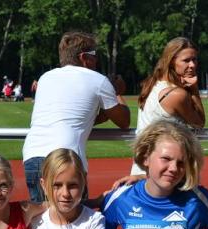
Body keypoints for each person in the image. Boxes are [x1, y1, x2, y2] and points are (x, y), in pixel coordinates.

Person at [23, 31, 130, 203]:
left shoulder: (45, 78)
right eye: (94, 55)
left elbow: (79, 118)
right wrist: (117, 92)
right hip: (66, 157)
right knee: (74, 217)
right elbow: (124, 121)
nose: (96, 60)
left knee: (43, 217)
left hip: (32, 155)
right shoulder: (98, 80)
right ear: (84, 57)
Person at [130, 37, 205, 176]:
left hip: (144, 167)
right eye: (186, 60)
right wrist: (194, 90)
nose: (192, 65)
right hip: (164, 171)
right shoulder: (176, 94)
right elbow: (199, 122)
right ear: (171, 61)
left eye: (194, 60)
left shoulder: (152, 84)